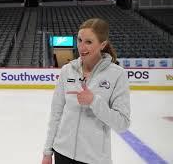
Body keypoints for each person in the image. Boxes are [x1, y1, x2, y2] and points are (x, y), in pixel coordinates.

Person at [42, 18, 130, 164]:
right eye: (79, 40)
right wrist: (47, 152)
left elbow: (122, 124)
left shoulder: (117, 74)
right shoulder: (67, 70)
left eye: (89, 42)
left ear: (103, 44)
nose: (81, 47)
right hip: (62, 153)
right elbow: (56, 115)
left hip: (94, 159)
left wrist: (94, 101)